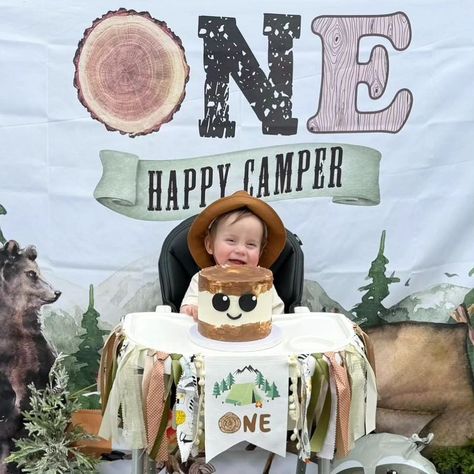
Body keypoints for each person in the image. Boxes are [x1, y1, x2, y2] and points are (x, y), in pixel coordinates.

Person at [181, 190, 286, 319]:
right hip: (211, 337)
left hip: (253, 337)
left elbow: (278, 317)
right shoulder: (202, 279)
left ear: (260, 252)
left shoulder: (263, 283)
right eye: (231, 241)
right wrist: (191, 310)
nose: (241, 250)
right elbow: (187, 311)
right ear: (209, 245)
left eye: (251, 244)